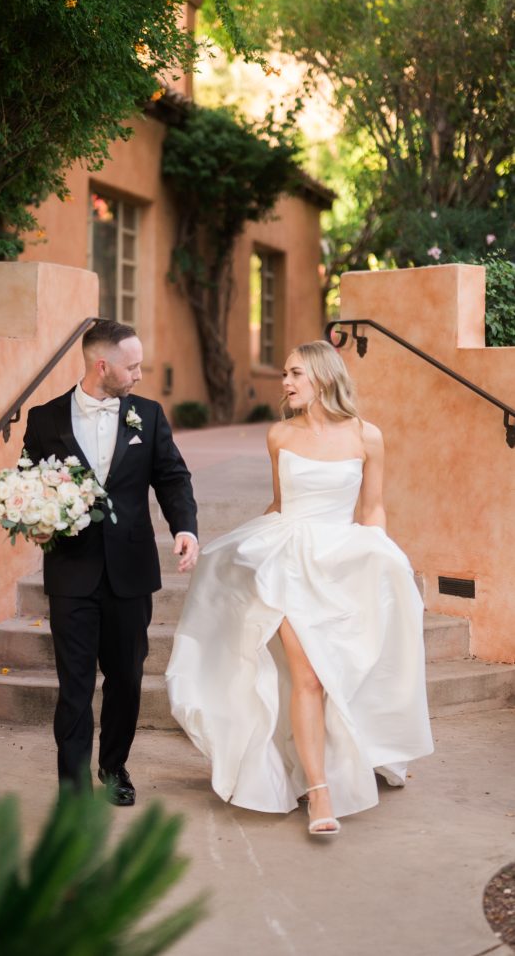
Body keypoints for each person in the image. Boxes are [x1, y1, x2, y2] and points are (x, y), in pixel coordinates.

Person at [166, 339, 433, 837]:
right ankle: (319, 791)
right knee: (306, 676)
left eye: (294, 374)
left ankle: (356, 754)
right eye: (285, 373)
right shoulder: (280, 436)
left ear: (323, 377)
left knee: (340, 672)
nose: (285, 382)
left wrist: (383, 559)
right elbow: (280, 503)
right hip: (287, 561)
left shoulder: (366, 436)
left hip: (344, 562)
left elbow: (371, 509)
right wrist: (232, 554)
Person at [23, 319, 198, 805]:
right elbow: (29, 484)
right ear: (103, 365)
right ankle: (73, 788)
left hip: (130, 573)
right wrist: (35, 520)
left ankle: (113, 767)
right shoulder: (44, 419)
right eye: (133, 366)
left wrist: (185, 526)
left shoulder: (149, 414)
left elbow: (172, 477)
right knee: (74, 685)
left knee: (126, 679)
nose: (140, 375)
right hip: (71, 573)